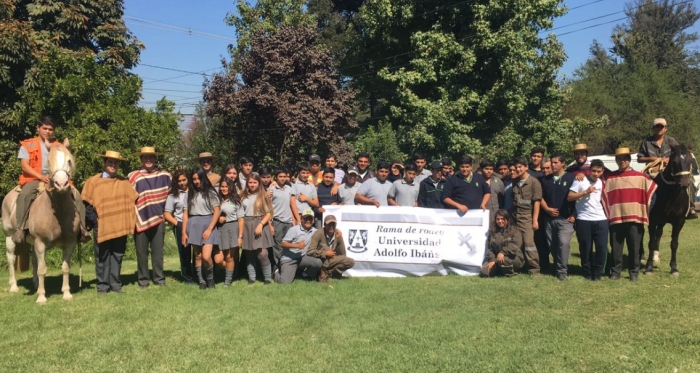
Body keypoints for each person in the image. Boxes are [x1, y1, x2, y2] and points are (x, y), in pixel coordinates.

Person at [12, 117, 89, 244]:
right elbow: (24, 166)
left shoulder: (59, 146)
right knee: (25, 196)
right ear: (38, 128)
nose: (47, 131)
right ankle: (20, 228)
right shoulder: (27, 144)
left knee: (77, 196)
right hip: (33, 178)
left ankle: (82, 229)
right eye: (45, 128)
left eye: (50, 129)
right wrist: (40, 176)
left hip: (57, 178)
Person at [82, 151, 139, 294]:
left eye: (116, 162)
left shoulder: (124, 182)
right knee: (102, 255)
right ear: (105, 163)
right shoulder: (93, 181)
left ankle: (115, 284)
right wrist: (95, 221)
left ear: (119, 164)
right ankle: (102, 285)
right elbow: (87, 204)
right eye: (110, 162)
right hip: (102, 225)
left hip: (120, 224)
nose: (113, 165)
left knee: (118, 254)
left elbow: (134, 198)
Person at [602, 147, 657, 282]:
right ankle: (616, 272)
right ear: (616, 160)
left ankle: (634, 272)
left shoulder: (641, 177)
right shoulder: (610, 178)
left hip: (635, 218)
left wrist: (645, 210)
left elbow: (653, 195)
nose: (622, 161)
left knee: (634, 247)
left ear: (629, 160)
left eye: (625, 159)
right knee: (616, 248)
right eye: (619, 159)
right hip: (616, 218)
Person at [129, 147, 172, 289]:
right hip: (140, 220)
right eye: (145, 157)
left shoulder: (165, 176)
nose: (148, 160)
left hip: (159, 219)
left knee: (158, 252)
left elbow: (173, 194)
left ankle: (159, 279)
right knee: (141, 252)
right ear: (140, 159)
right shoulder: (133, 176)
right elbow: (127, 198)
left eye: (151, 157)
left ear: (155, 159)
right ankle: (143, 280)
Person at [637, 118, 696, 218]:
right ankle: (641, 208)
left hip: (670, 169)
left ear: (665, 129)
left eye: (661, 126)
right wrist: (652, 158)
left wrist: (668, 159)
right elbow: (639, 158)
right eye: (657, 126)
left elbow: (679, 154)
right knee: (641, 183)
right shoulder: (646, 142)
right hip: (652, 169)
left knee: (689, 182)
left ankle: (691, 207)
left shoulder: (671, 140)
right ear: (653, 128)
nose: (659, 128)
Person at [568, 159, 608, 281]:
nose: (595, 174)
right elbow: (570, 197)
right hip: (584, 219)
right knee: (585, 247)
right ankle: (587, 271)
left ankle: (598, 272)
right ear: (589, 170)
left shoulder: (603, 182)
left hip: (601, 219)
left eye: (598, 171)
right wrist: (585, 191)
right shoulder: (580, 180)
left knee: (601, 247)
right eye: (593, 171)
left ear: (602, 171)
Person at [181, 168, 221, 289]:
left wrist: (209, 229)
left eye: (199, 178)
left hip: (208, 224)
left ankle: (210, 279)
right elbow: (185, 214)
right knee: (197, 255)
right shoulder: (189, 194)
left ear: (203, 178)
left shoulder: (211, 193)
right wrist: (183, 232)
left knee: (206, 256)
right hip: (193, 225)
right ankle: (201, 281)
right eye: (194, 179)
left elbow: (217, 211)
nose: (197, 181)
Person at [539, 154, 576, 281]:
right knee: (553, 245)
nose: (553, 165)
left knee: (563, 243)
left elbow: (579, 198)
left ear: (563, 164)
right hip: (549, 219)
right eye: (552, 162)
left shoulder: (572, 178)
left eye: (555, 162)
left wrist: (574, 214)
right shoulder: (545, 180)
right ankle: (557, 266)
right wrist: (547, 209)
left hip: (565, 219)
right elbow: (540, 197)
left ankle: (562, 271)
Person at [237, 173, 275, 284]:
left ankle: (267, 278)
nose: (252, 185)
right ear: (247, 183)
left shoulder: (263, 195)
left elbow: (269, 213)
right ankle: (252, 279)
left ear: (259, 183)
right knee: (249, 253)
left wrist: (261, 224)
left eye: (255, 182)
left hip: (260, 224)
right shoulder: (242, 196)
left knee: (262, 254)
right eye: (250, 182)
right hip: (246, 225)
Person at [510, 156, 542, 276]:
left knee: (529, 245)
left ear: (526, 167)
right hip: (515, 218)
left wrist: (535, 220)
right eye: (516, 167)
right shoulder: (515, 182)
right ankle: (519, 266)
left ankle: (534, 270)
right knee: (517, 243)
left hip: (527, 218)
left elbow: (537, 202)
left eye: (520, 167)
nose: (518, 169)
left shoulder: (534, 182)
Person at [276, 209, 322, 284]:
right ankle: (276, 272)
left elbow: (324, 232)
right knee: (285, 283)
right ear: (301, 219)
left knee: (318, 262)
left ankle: (305, 275)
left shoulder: (315, 231)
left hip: (302, 258)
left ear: (313, 220)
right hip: (289, 259)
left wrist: (336, 231)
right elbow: (283, 244)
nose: (308, 221)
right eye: (306, 218)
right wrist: (296, 245)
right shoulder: (294, 230)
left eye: (310, 218)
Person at [164, 169, 194, 284]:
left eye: (184, 180)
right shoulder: (173, 195)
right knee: (184, 253)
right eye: (179, 181)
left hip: (196, 223)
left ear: (188, 179)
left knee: (198, 252)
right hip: (181, 224)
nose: (182, 183)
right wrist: (178, 224)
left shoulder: (195, 191)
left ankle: (198, 274)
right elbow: (167, 214)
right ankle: (187, 277)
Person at [306, 215, 355, 283]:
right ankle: (322, 273)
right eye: (329, 224)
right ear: (324, 225)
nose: (331, 226)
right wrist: (325, 253)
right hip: (319, 260)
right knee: (326, 248)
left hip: (331, 260)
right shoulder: (318, 233)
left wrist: (340, 239)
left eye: (333, 224)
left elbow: (343, 254)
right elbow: (310, 251)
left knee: (350, 262)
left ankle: (326, 273)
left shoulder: (338, 235)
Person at [480, 210, 525, 277]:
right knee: (484, 271)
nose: (500, 221)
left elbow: (515, 245)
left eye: (502, 219)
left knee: (504, 261)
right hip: (497, 259)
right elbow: (490, 249)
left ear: (507, 219)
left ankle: (509, 273)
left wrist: (503, 253)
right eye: (498, 219)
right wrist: (492, 260)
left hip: (514, 258)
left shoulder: (514, 230)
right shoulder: (493, 232)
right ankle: (500, 270)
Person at [214, 177, 241, 287]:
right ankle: (232, 271)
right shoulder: (216, 200)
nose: (224, 188)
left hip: (232, 228)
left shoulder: (236, 201)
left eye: (226, 186)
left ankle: (228, 281)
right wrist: (218, 218)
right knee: (218, 259)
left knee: (229, 257)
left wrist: (240, 236)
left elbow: (241, 219)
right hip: (219, 229)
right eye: (222, 186)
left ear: (231, 188)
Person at [269, 167, 296, 271]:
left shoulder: (289, 189)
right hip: (277, 220)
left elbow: (291, 204)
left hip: (288, 221)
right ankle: (278, 267)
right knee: (278, 246)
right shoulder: (271, 189)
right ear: (275, 178)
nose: (282, 178)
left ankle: (287, 266)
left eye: (284, 176)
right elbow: (268, 207)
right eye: (280, 176)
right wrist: (270, 223)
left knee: (288, 244)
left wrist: (294, 219)